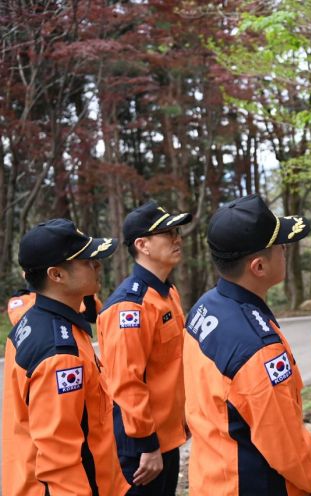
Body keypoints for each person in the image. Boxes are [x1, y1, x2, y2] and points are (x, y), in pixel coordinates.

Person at [183, 194, 311, 495]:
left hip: (212, 476)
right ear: (258, 267)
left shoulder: (204, 307)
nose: (286, 251)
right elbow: (284, 445)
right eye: (280, 246)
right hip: (251, 483)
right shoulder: (258, 348)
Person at [1, 218, 129, 496]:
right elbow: (60, 462)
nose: (98, 266)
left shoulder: (36, 320)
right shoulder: (60, 353)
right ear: (56, 275)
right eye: (87, 261)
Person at [96, 201, 192, 495]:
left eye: (177, 231)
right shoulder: (129, 307)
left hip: (167, 437)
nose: (177, 238)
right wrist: (146, 444)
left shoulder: (166, 292)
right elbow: (126, 382)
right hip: (141, 448)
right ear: (142, 245)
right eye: (167, 233)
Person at [7, 287, 102, 326]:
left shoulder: (64, 291)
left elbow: (93, 316)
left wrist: (87, 293)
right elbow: (19, 320)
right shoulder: (19, 298)